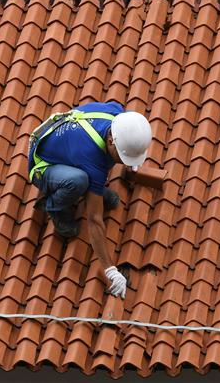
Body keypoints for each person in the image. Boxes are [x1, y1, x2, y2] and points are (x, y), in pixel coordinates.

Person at [27, 101, 153, 298]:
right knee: (79, 181)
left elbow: (117, 107)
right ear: (111, 140)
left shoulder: (117, 117)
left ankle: (95, 189)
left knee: (93, 182)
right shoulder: (91, 157)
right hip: (42, 165)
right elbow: (94, 220)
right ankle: (53, 207)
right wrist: (110, 269)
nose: (121, 160)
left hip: (64, 142)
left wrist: (131, 159)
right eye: (121, 155)